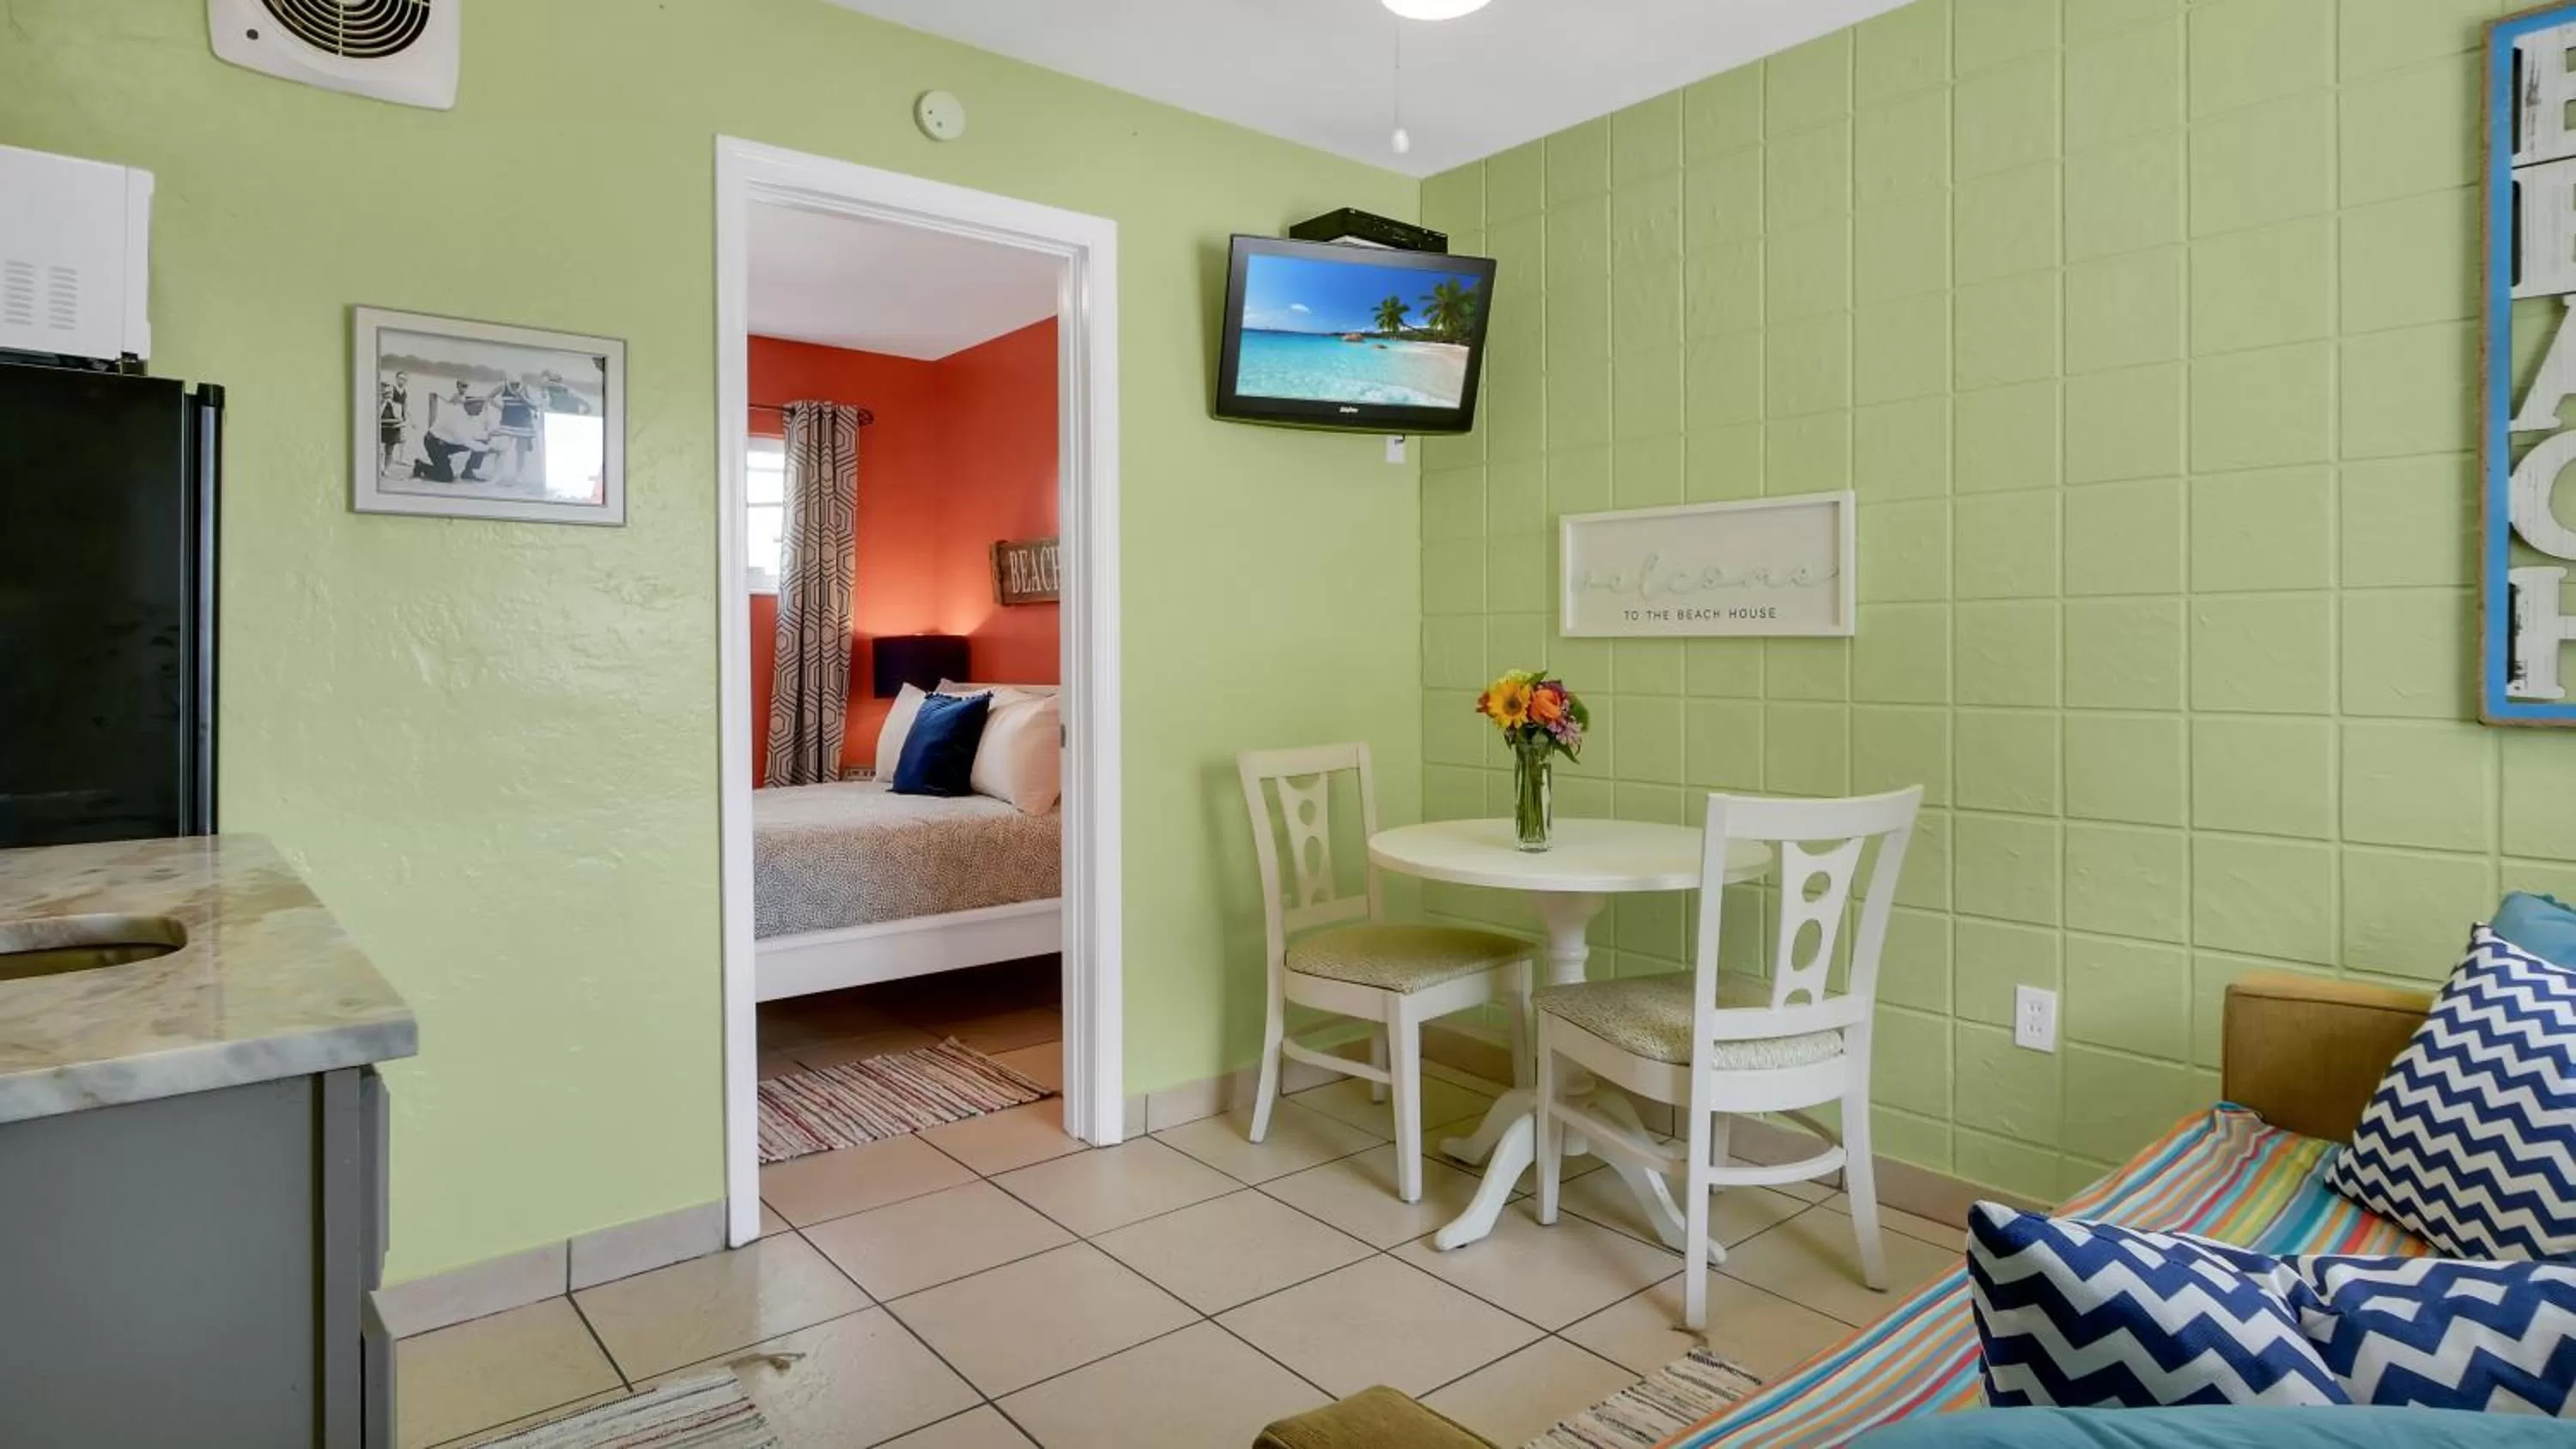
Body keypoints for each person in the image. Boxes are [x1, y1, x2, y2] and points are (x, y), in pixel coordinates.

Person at [414, 391, 495, 483]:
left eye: (481, 407)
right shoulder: (455, 417)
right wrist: (488, 449)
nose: (480, 410)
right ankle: (421, 466)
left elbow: (475, 435)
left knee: (483, 441)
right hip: (435, 443)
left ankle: (468, 472)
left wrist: (489, 435)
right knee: (446, 477)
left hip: (451, 443)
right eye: (478, 407)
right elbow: (466, 441)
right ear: (469, 405)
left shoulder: (472, 414)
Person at [489, 372, 544, 487]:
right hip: (507, 423)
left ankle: (518, 475)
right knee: (502, 449)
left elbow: (534, 406)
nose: (514, 386)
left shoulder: (526, 388)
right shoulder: (503, 387)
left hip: (524, 423)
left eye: (516, 384)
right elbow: (489, 398)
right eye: (512, 384)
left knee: (521, 451)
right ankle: (497, 475)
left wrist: (521, 397)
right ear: (508, 382)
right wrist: (501, 408)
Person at [376, 381, 406, 476]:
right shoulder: (377, 405)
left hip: (393, 429)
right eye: (385, 394)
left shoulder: (398, 405)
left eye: (389, 394)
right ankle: (380, 468)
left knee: (389, 451)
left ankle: (385, 469)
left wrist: (391, 405)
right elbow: (377, 417)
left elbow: (400, 418)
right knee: (380, 450)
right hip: (381, 428)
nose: (387, 396)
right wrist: (383, 404)